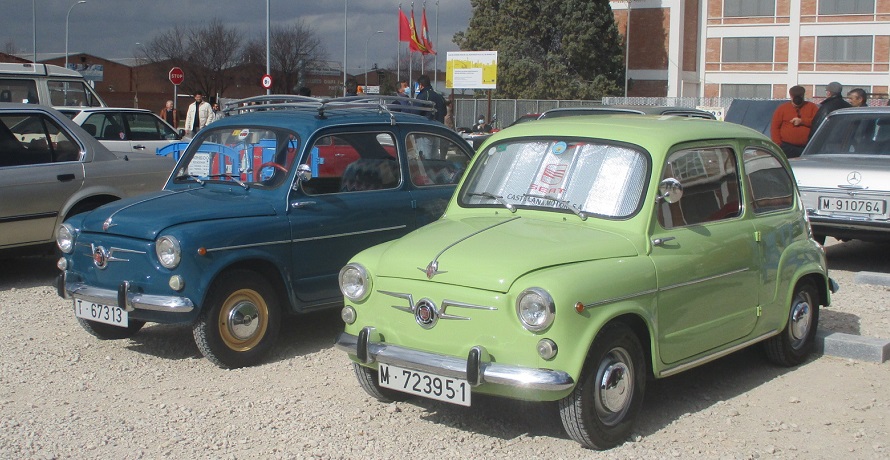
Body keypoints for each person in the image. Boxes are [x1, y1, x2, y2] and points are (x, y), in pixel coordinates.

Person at [770, 85, 818, 158]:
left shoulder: (812, 107)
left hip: (806, 147)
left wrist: (802, 121)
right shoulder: (782, 109)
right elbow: (775, 128)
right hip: (787, 147)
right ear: (791, 96)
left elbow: (817, 123)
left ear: (803, 96)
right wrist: (778, 145)